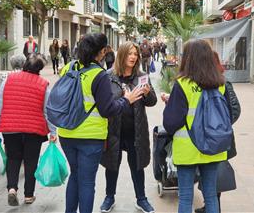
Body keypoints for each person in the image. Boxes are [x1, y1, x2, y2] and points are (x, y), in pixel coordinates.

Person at [57, 33, 144, 213]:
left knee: (75, 175)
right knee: (87, 181)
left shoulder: (68, 67)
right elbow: (108, 109)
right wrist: (126, 100)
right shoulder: (99, 74)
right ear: (102, 52)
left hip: (66, 133)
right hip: (90, 137)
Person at [163, 39, 232, 213]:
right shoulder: (221, 84)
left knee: (186, 197)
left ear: (188, 58)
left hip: (188, 148)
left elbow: (171, 122)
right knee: (210, 195)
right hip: (214, 147)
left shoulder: (183, 84)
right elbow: (229, 115)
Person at [0, 53, 57, 206]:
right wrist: (53, 131)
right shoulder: (43, 84)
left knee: (13, 159)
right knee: (31, 161)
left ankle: (12, 188)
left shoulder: (9, 79)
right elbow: (47, 111)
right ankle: (29, 195)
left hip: (10, 127)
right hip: (33, 129)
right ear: (40, 69)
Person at [100, 41, 157, 213]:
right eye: (130, 53)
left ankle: (141, 199)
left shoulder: (141, 76)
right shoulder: (108, 76)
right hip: (114, 130)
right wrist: (125, 98)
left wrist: (147, 94)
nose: (133, 57)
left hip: (135, 130)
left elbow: (152, 102)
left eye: (135, 54)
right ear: (122, 55)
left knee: (137, 166)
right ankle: (109, 197)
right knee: (112, 166)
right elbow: (105, 103)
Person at [195, 51, 241, 213]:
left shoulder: (224, 83)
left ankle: (215, 208)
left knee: (215, 175)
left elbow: (235, 110)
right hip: (208, 138)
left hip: (220, 138)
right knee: (208, 174)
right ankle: (210, 206)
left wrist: (219, 127)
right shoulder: (199, 83)